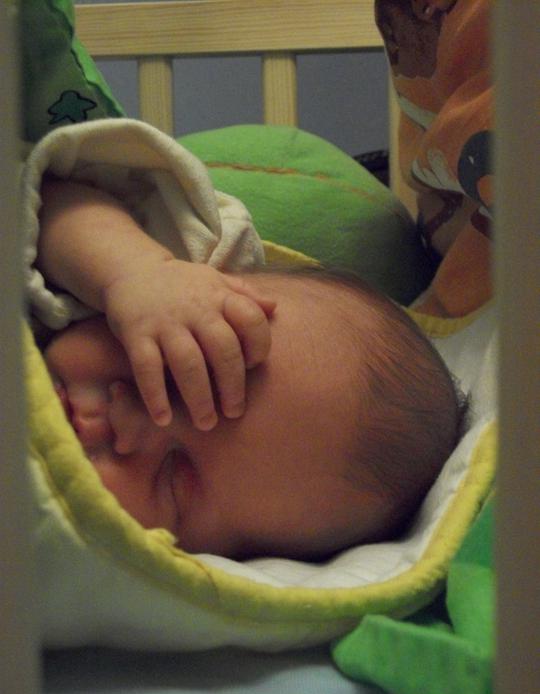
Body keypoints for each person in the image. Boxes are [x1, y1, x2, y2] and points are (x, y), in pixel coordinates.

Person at [26, 119, 465, 561]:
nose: (125, 421)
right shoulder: (156, 265)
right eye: (171, 368)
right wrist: (134, 272)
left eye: (173, 480)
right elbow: (43, 200)